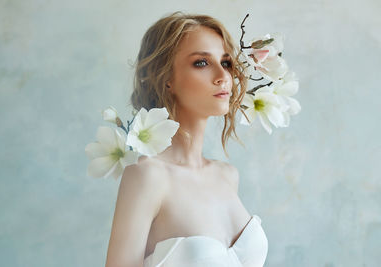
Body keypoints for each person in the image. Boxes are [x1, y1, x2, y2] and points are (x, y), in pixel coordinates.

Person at [105, 11, 268, 267]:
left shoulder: (227, 176)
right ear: (166, 78)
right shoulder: (148, 176)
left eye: (225, 62)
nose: (223, 76)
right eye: (201, 63)